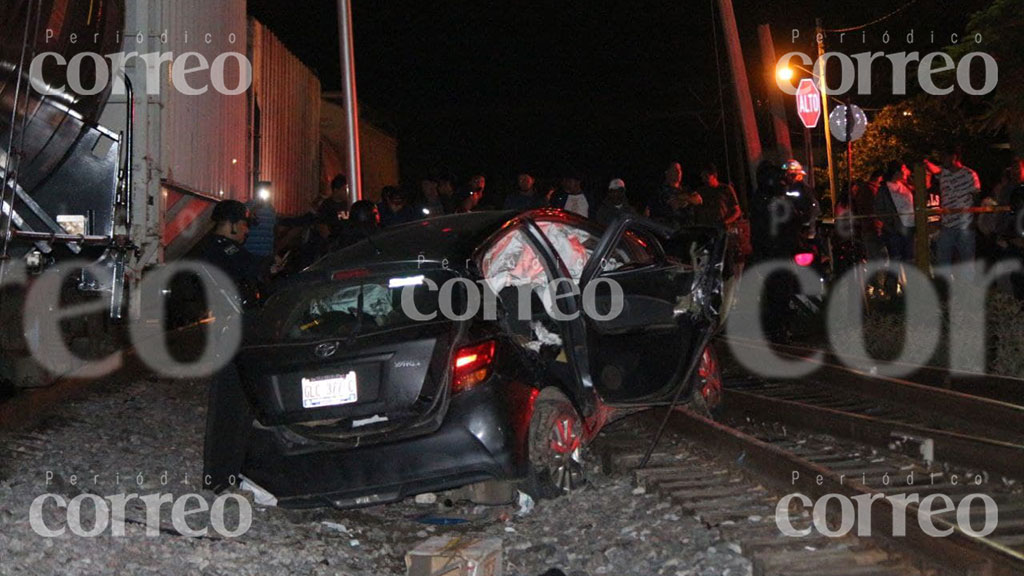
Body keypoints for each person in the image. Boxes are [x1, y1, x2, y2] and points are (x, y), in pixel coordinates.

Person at [200, 200, 275, 305]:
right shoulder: (223, 247)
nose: (247, 230)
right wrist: (271, 262)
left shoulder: (215, 244)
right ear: (232, 224)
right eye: (244, 225)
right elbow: (250, 265)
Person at [925, 147, 981, 280]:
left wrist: (974, 220)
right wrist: (925, 161)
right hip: (947, 224)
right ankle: (946, 290)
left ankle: (967, 291)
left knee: (966, 262)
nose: (942, 160)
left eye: (944, 157)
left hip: (964, 224)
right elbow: (932, 168)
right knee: (943, 260)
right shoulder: (943, 173)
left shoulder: (969, 174)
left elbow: (976, 197)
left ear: (953, 157)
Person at [879, 161, 916, 264]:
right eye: (904, 169)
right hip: (895, 230)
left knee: (909, 260)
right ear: (897, 172)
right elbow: (879, 209)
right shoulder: (884, 189)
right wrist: (890, 224)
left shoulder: (906, 186)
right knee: (896, 261)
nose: (907, 171)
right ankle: (893, 280)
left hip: (909, 227)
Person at [693, 163, 741, 229]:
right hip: (706, 229)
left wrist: (726, 222)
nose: (704, 180)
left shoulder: (725, 189)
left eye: (706, 176)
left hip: (722, 228)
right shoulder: (701, 191)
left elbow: (737, 211)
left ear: (714, 176)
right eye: (702, 177)